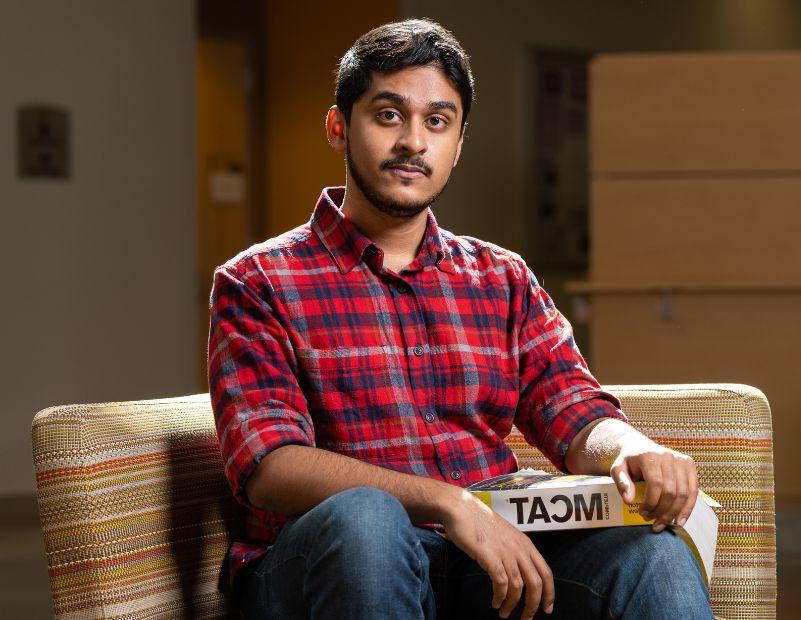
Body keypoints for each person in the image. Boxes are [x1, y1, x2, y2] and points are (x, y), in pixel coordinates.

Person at [208, 18, 712, 620]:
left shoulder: (502, 278)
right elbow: (270, 464)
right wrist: (450, 504)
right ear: (339, 128)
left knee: (649, 555)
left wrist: (629, 449)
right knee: (368, 518)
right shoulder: (258, 281)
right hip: (328, 566)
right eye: (389, 115)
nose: (413, 142)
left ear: (457, 144)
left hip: (485, 564)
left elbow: (572, 407)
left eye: (437, 122)